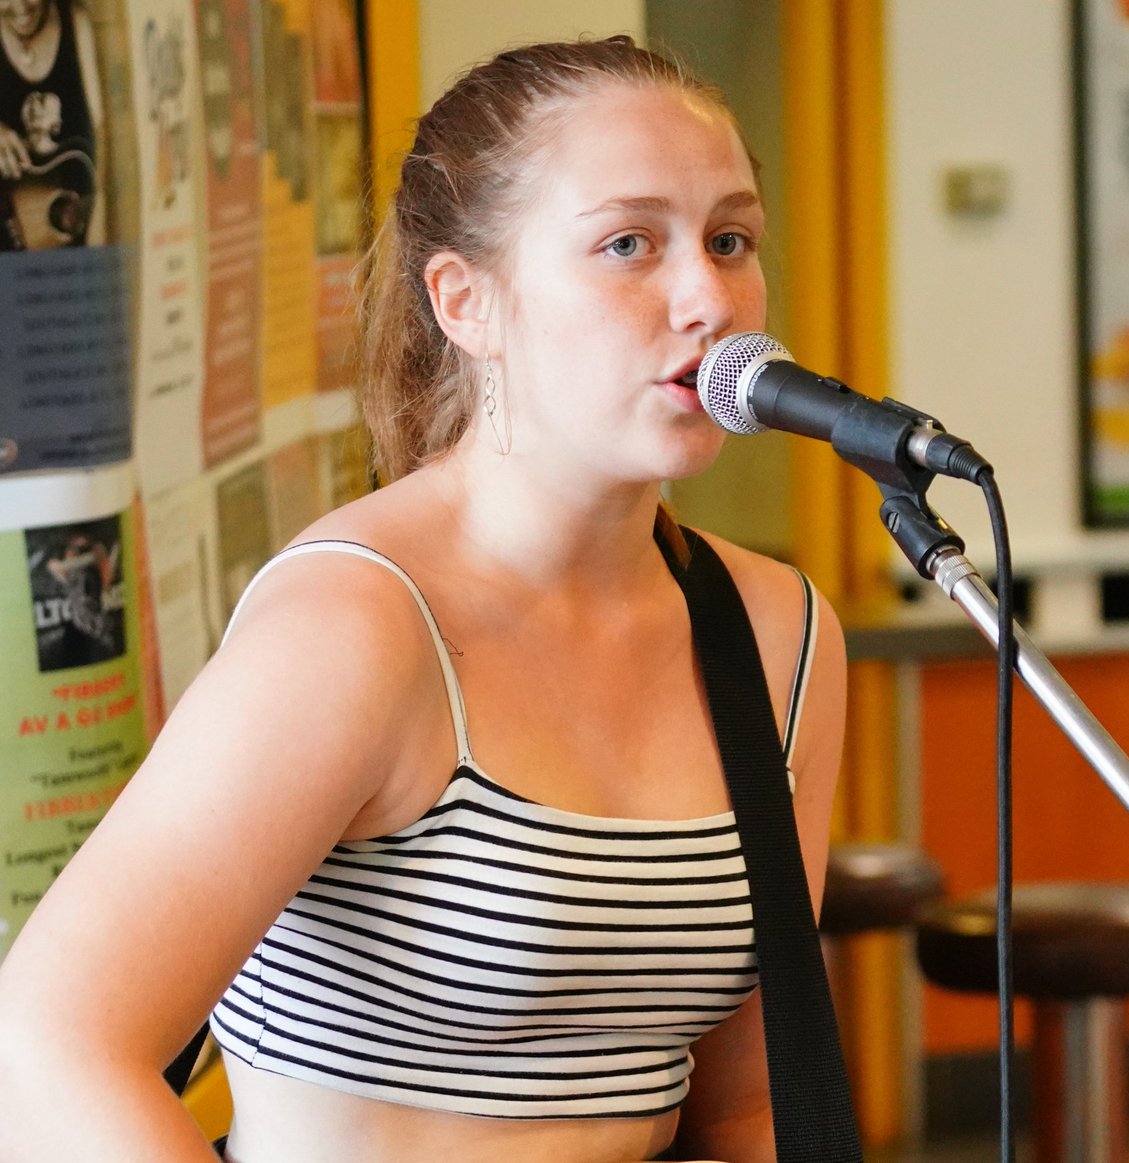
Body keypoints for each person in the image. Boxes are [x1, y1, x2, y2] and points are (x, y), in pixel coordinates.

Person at [0, 35, 847, 1163]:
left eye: (730, 239)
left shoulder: (776, 636)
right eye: (629, 243)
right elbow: (47, 1046)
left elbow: (747, 1109)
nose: (708, 295)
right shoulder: (360, 627)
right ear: (466, 301)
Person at [0, 0, 105, 248]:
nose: (20, 6)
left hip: (74, 234)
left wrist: (98, 231)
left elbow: (103, 135)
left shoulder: (76, 23)